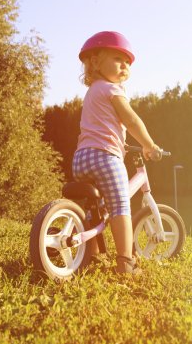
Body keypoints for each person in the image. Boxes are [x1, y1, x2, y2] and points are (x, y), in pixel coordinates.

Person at [73, 31, 162, 275]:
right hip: (105, 158)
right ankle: (126, 262)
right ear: (95, 62)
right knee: (120, 206)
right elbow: (131, 120)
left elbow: (102, 126)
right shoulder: (113, 90)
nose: (123, 65)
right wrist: (149, 144)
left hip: (81, 158)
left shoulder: (93, 92)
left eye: (127, 62)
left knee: (96, 207)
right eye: (117, 59)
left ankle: (91, 253)